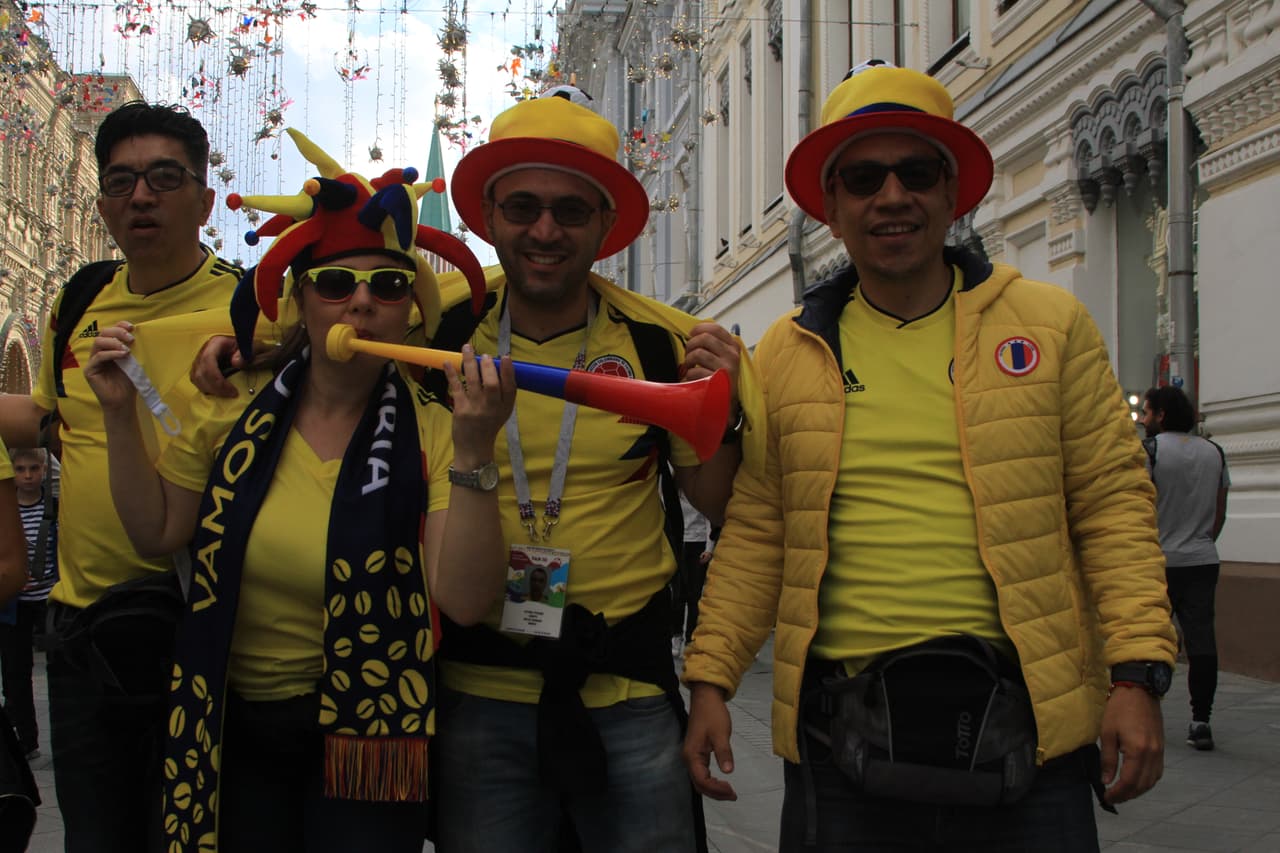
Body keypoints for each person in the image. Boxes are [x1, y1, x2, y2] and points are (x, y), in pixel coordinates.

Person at [680, 61, 1177, 852]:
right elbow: (758, 530)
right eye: (864, 178)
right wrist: (711, 678)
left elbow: (1113, 505)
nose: (891, 196)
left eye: (916, 172)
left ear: (952, 193)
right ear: (832, 208)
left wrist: (1136, 674)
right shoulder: (785, 352)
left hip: (1028, 730)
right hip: (840, 738)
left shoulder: (1049, 324)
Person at [84, 129, 513, 852]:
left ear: (412, 309)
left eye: (388, 285)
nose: (361, 305)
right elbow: (157, 533)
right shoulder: (231, 406)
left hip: (366, 742)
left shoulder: (437, 430)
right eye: (337, 284)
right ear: (302, 302)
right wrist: (119, 413)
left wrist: (474, 449)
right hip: (233, 724)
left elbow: (467, 600)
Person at [423, 87, 759, 853]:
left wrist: (727, 411)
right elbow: (327, 321)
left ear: (605, 224)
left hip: (629, 690)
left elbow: (719, 500)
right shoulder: (437, 326)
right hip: (479, 690)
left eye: (571, 211)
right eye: (523, 208)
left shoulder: (658, 343)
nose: (545, 230)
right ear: (486, 215)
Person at [0, 100, 241, 852]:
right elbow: (47, 417)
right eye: (122, 180)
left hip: (199, 634)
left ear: (204, 198)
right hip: (81, 638)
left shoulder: (253, 309)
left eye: (165, 177)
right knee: (95, 834)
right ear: (101, 201)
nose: (142, 196)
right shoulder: (78, 302)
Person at [1141, 385, 1229, 751]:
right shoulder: (1215, 452)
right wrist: (1203, 541)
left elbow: (1138, 506)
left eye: (1146, 412)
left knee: (1148, 641)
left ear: (1161, 415)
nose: (1143, 419)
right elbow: (1219, 511)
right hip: (1202, 559)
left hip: (1158, 561)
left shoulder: (1152, 451)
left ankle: (1146, 718)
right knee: (1201, 642)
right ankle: (1201, 720)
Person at [0, 448, 57, 761]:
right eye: (19, 469)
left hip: (48, 600)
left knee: (60, 672)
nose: (26, 475)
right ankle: (25, 738)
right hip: (15, 602)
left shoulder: (55, 508)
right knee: (15, 674)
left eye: (33, 468)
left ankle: (63, 738)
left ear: (44, 469)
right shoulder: (6, 510)